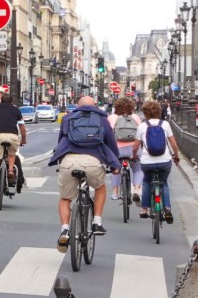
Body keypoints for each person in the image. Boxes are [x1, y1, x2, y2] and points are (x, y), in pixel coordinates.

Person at [48, 95, 120, 252]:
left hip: (69, 161)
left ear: (77, 105)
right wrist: (114, 164)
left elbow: (61, 141)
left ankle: (65, 230)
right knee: (100, 188)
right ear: (95, 105)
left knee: (65, 198)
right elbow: (111, 143)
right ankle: (97, 221)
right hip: (93, 161)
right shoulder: (102, 119)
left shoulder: (68, 118)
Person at [136, 100, 181, 223]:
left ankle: (144, 209)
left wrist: (133, 155)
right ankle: (167, 208)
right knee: (164, 182)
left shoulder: (142, 126)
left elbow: (135, 146)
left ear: (145, 112)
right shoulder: (165, 124)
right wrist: (176, 156)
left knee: (146, 181)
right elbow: (174, 145)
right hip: (164, 161)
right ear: (159, 111)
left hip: (147, 162)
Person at [0, 92, 27, 200]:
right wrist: (23, 140)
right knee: (12, 154)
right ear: (11, 102)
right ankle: (11, 170)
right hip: (12, 136)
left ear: (1, 100)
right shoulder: (16, 110)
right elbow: (22, 127)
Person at [108, 98, 142, 201]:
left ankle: (115, 192)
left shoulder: (112, 117)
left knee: (115, 169)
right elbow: (140, 133)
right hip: (133, 150)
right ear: (132, 107)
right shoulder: (135, 117)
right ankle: (136, 190)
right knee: (137, 169)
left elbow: (108, 134)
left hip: (117, 150)